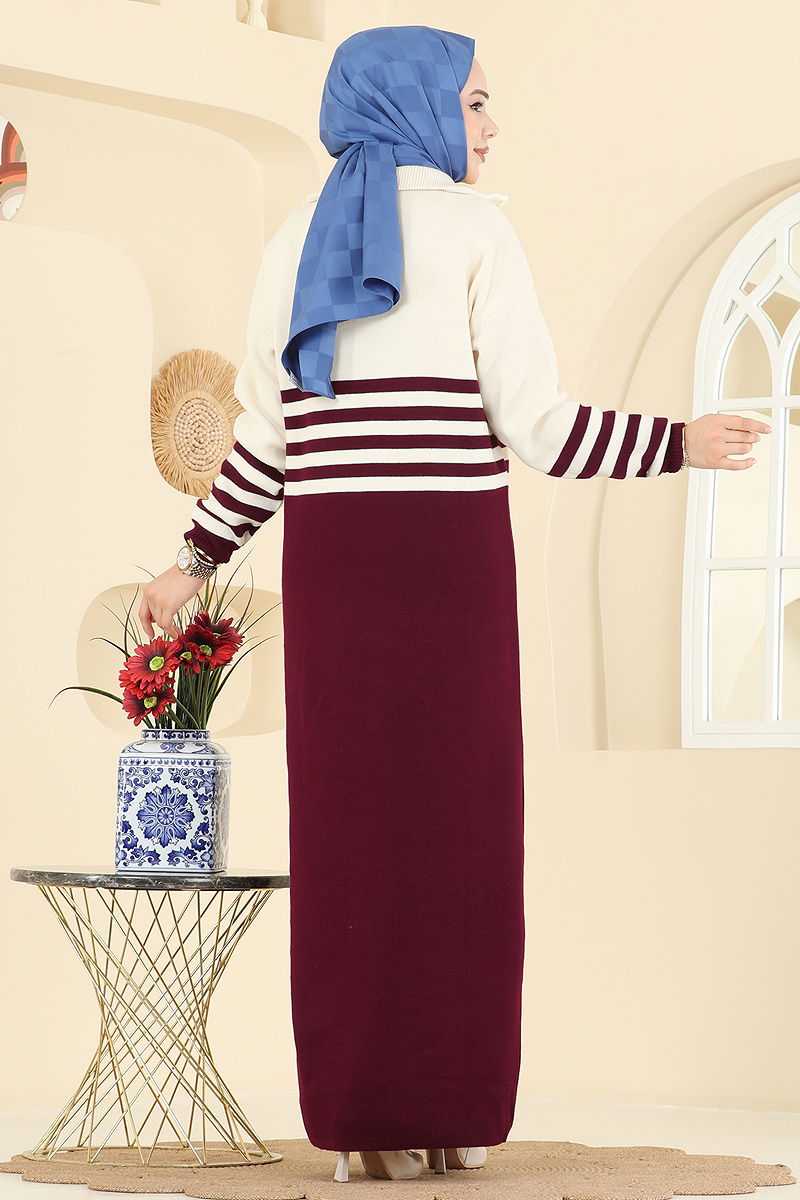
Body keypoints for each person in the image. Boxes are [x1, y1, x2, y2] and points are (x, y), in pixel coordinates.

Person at [139, 25, 771, 1186]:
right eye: (475, 102)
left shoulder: (291, 240)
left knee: (347, 832)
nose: (490, 126)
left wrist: (191, 560)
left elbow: (267, 444)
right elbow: (540, 428)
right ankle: (453, 1112)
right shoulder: (479, 232)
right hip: (447, 567)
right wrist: (676, 442)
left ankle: (361, 1121)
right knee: (459, 829)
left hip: (336, 570)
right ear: (415, 103)